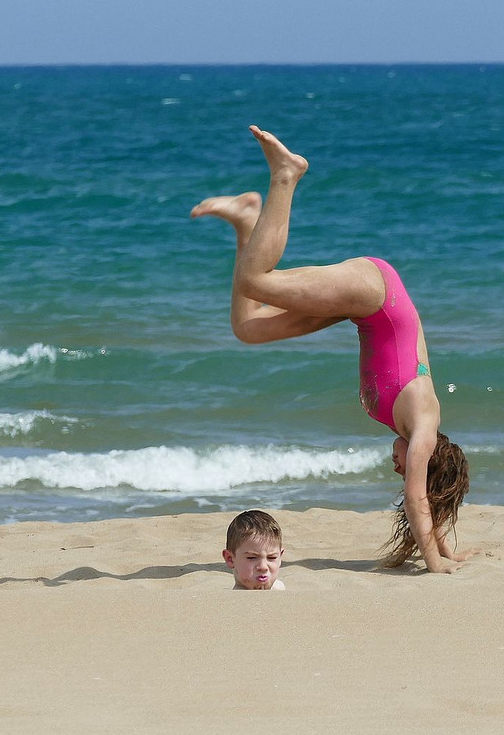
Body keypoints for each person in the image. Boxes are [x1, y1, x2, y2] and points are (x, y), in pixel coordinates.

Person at [192, 126, 473, 573]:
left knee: (248, 327)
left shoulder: (413, 430)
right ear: (428, 459)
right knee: (255, 281)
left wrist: (446, 549)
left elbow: (428, 498)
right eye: (406, 468)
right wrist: (436, 564)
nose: (397, 467)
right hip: (377, 293)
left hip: (357, 311)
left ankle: (248, 218)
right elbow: (418, 497)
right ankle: (286, 174)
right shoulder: (424, 425)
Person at [223, 509, 287, 590]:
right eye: (251, 558)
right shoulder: (236, 599)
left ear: (280, 556)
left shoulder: (279, 587)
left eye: (272, 558)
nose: (263, 567)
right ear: (230, 559)